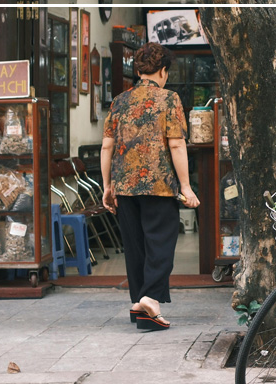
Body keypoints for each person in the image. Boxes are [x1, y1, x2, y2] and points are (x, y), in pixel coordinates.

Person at [100, 43, 201, 332]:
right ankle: (151, 299)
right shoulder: (169, 99)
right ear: (163, 70)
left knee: (135, 246)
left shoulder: (119, 101)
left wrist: (107, 186)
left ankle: (141, 305)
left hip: (124, 185)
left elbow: (107, 145)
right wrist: (186, 186)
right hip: (158, 184)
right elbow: (177, 143)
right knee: (161, 242)